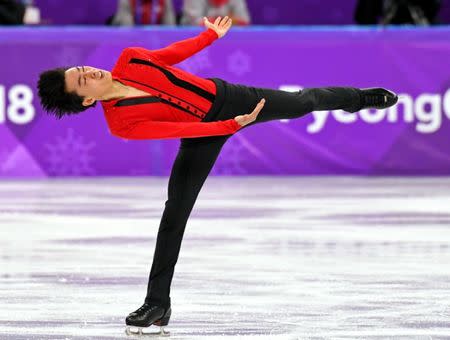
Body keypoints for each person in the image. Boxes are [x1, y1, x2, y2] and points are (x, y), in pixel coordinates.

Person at [37, 16, 398, 336]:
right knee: (174, 213)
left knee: (302, 103)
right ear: (86, 101)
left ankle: (357, 98)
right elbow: (179, 129)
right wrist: (227, 127)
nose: (92, 72)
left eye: (84, 69)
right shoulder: (122, 123)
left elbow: (171, 54)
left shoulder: (130, 58)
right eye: (84, 81)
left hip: (231, 98)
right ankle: (157, 303)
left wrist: (208, 37)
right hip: (203, 130)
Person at [181, 0, 250, 26]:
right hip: (194, 38)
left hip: (229, 39)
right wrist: (227, 20)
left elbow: (244, 21)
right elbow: (196, 23)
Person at [108, 0, 176, 26]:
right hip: (134, 41)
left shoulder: (164, 1)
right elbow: (127, 31)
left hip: (157, 40)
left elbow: (169, 28)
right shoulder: (127, 1)